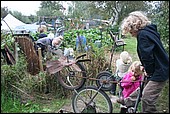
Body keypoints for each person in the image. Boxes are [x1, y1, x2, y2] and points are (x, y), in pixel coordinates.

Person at [117, 11, 169, 113]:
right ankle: (127, 101)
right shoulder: (150, 31)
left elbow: (147, 56)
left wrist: (148, 70)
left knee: (147, 97)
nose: (132, 35)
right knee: (143, 86)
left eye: (131, 32)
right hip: (160, 66)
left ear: (134, 27)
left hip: (160, 71)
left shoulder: (143, 35)